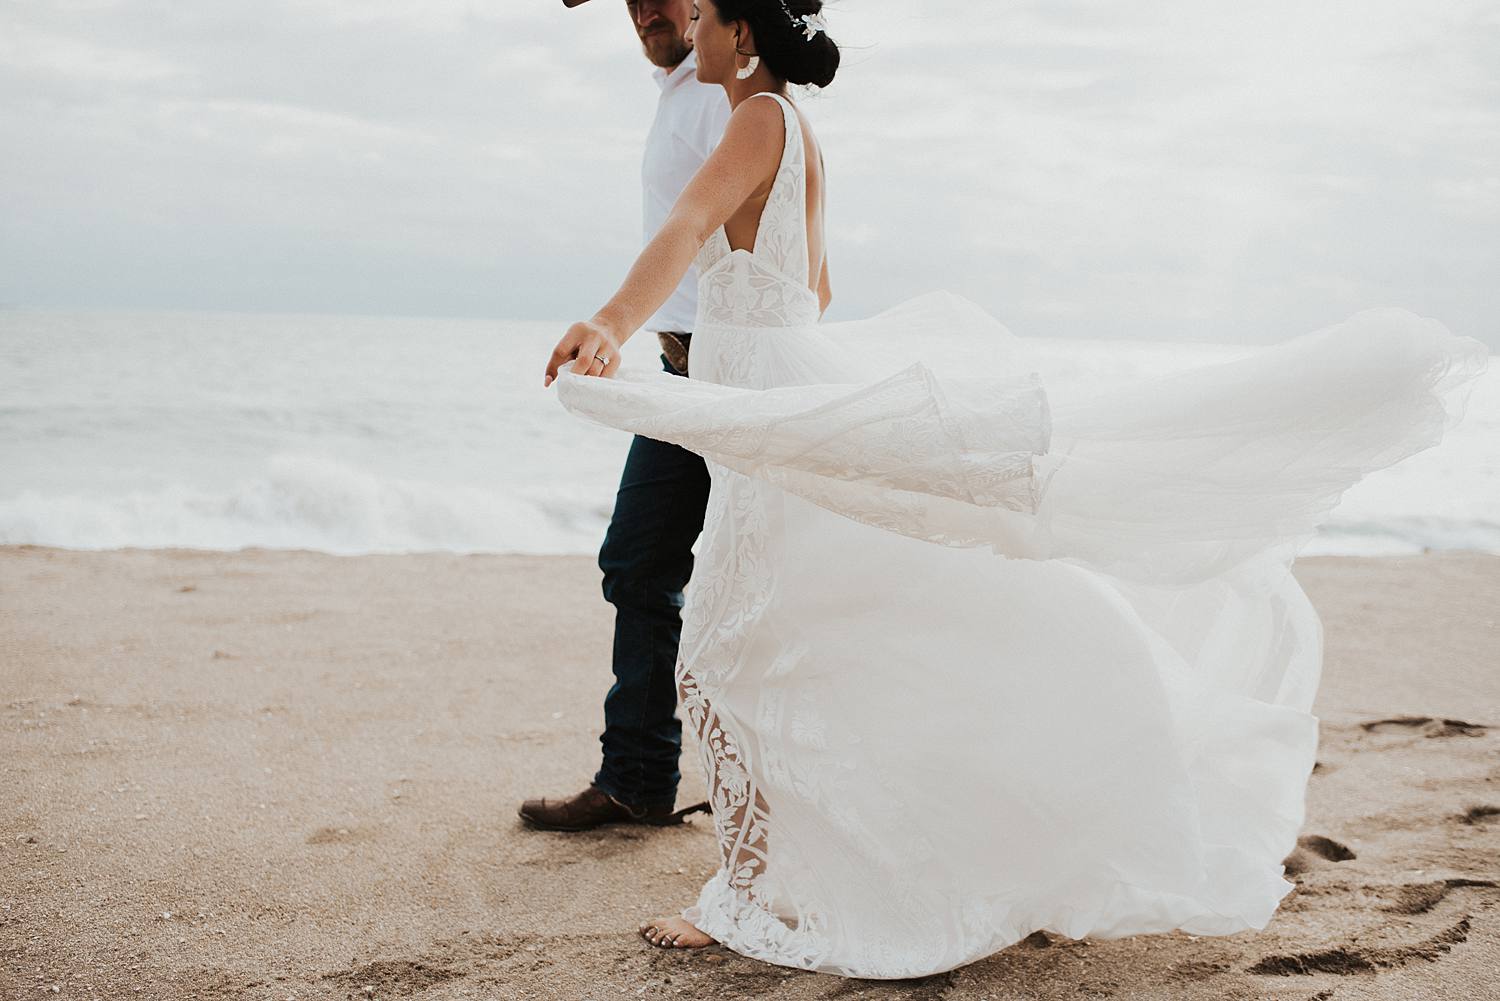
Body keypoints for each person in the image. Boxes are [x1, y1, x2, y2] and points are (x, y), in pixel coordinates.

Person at [544, 0, 1488, 979]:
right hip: (772, 402)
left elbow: (692, 222)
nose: (689, 27)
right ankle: (785, 870)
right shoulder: (797, 129)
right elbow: (811, 290)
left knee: (743, 640)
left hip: (766, 413)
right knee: (774, 635)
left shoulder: (755, 118)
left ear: (741, 33)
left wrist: (612, 322)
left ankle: (746, 894)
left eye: (708, 16)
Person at [519, 0, 731, 832]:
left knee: (766, 581)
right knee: (639, 564)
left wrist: (613, 321)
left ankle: (773, 786)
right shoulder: (678, 89)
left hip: (734, 379)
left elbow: (701, 224)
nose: (646, 8)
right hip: (681, 374)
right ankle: (639, 777)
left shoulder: (723, 90)